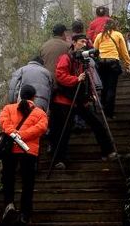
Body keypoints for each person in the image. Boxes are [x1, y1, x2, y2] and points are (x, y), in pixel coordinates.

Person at [49, 34, 117, 170]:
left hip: (80, 99)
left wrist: (92, 92)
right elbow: (60, 75)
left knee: (97, 123)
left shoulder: (83, 60)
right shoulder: (66, 57)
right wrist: (76, 79)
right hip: (64, 100)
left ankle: (108, 151)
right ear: (73, 43)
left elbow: (88, 76)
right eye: (81, 41)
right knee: (64, 130)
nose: (84, 43)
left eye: (86, 41)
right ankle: (59, 159)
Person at [0, 84, 49, 226]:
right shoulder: (41, 113)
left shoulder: (8, 108)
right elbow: (41, 128)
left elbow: (3, 121)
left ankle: (9, 206)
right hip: (29, 152)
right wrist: (22, 136)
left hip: (10, 152)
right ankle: (25, 214)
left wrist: (14, 134)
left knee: (8, 178)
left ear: (20, 95)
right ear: (34, 97)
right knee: (28, 183)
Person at [93, 19, 130, 119]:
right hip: (113, 63)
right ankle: (109, 112)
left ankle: (102, 108)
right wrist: (127, 64)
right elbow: (124, 51)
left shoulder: (99, 36)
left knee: (104, 86)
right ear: (114, 26)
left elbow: (95, 50)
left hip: (101, 63)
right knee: (111, 88)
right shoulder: (118, 35)